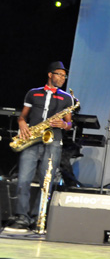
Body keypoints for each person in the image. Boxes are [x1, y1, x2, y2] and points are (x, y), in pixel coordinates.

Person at [4, 61, 75, 232]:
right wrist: (22, 124)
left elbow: (70, 124)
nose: (62, 78)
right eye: (59, 74)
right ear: (50, 74)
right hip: (31, 140)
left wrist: (64, 125)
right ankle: (22, 217)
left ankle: (38, 217)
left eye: (64, 76)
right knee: (23, 180)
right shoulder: (33, 93)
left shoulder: (67, 98)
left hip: (53, 141)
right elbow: (22, 116)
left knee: (47, 181)